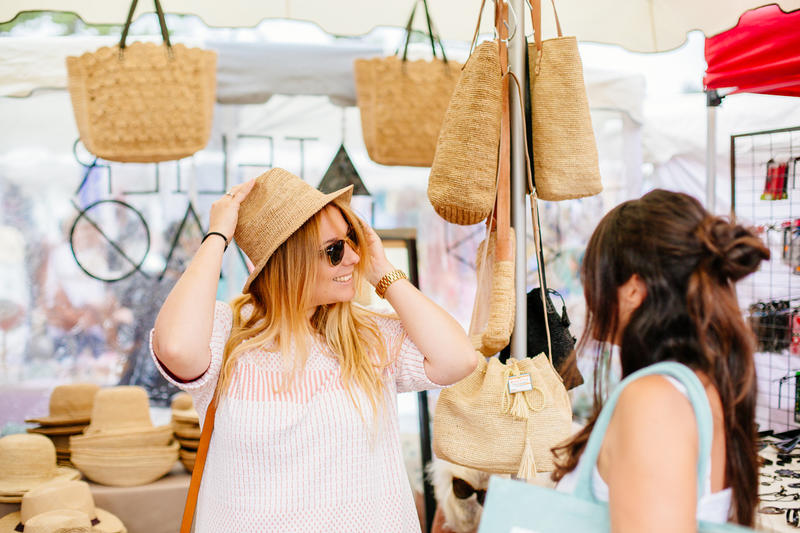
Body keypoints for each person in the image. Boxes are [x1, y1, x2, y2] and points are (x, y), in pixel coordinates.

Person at [150, 168, 477, 532]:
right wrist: (217, 236)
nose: (354, 257)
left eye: (352, 240)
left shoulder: (366, 335)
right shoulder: (227, 336)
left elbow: (459, 359)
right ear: (289, 262)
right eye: (335, 250)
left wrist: (382, 270)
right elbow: (176, 347)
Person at [552, 189, 769, 530]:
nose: (590, 293)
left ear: (633, 289)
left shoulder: (654, 399)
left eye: (593, 277)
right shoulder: (699, 384)